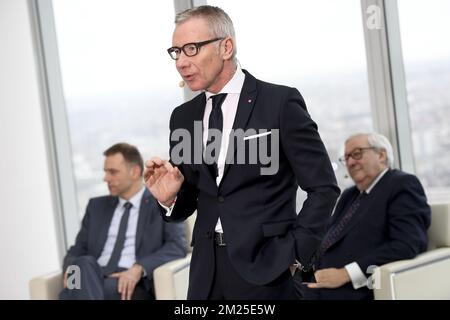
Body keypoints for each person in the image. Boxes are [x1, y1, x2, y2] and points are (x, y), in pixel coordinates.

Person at [144, 5, 339, 300]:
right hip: (206, 273)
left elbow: (324, 188)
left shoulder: (279, 103)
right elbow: (193, 201)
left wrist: (293, 253)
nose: (181, 62)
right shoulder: (183, 117)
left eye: (192, 49)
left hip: (268, 269)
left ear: (226, 47)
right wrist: (169, 198)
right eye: (176, 51)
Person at [297, 132, 431, 300]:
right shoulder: (349, 195)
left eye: (357, 154)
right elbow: (328, 237)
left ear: (381, 155)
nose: (351, 162)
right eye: (346, 158)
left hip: (353, 288)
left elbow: (407, 244)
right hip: (317, 280)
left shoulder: (402, 184)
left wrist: (345, 274)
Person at [59, 143, 187, 300]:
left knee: (70, 294)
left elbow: (176, 247)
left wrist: (139, 268)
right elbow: (75, 251)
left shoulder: (161, 201)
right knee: (82, 263)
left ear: (135, 172)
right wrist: (72, 268)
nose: (105, 178)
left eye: (112, 172)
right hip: (92, 275)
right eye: (105, 172)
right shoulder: (96, 206)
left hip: (127, 282)